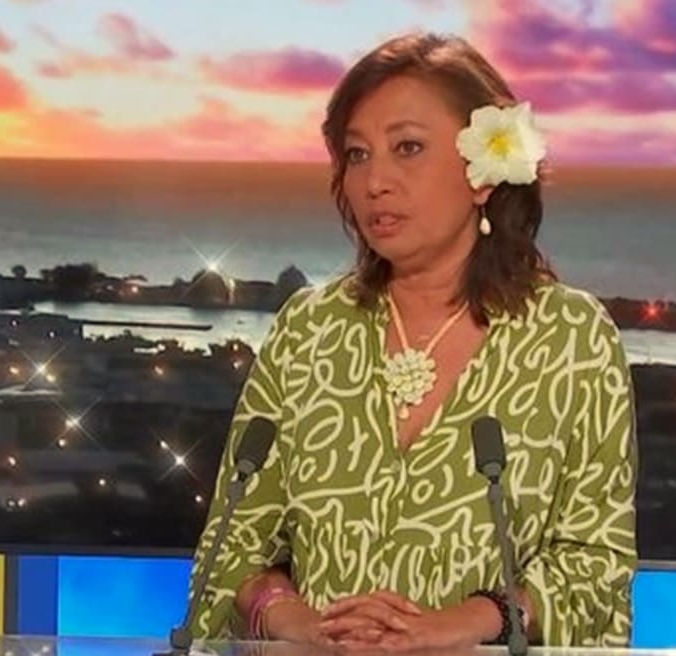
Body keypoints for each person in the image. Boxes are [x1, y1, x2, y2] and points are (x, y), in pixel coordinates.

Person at [188, 32, 637, 650]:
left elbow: (595, 568)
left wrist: (464, 625)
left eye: (408, 148)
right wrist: (296, 621)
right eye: (357, 155)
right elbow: (231, 547)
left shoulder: (571, 340)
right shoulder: (309, 331)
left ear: (483, 174)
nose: (375, 181)